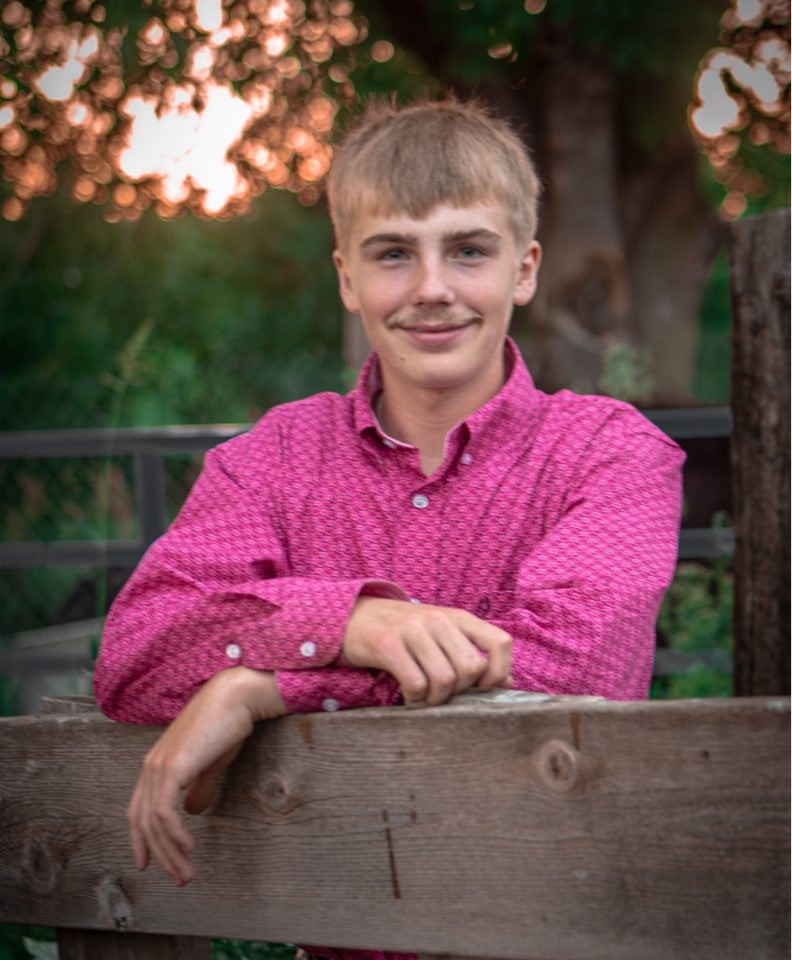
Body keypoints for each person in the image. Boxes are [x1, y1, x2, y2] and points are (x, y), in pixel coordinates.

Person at [93, 96, 685, 960]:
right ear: (347, 277)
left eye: (469, 251)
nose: (432, 288)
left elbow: (570, 664)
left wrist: (264, 685)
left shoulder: (612, 454)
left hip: (555, 931)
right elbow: (139, 650)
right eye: (394, 254)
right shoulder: (270, 461)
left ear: (524, 270)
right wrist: (357, 621)